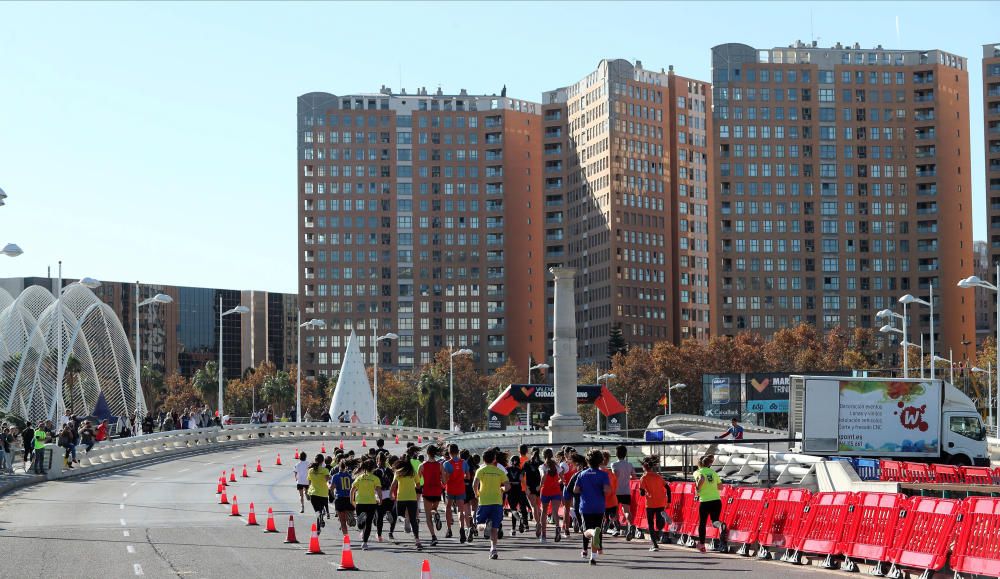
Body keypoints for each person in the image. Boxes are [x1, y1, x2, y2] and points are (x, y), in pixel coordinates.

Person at [574, 449, 611, 565]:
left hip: (585, 506)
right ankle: (593, 557)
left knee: (586, 531)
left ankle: (592, 534)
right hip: (599, 506)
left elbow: (575, 489)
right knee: (597, 528)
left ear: (587, 461)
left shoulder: (582, 474)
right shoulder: (604, 475)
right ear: (600, 461)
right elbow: (607, 490)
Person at [473, 449, 509, 560]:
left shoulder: (481, 470)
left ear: (483, 459)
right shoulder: (500, 471)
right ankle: (493, 549)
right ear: (494, 459)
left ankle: (485, 525)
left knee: (479, 525)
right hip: (497, 501)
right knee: (494, 528)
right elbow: (507, 486)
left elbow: (475, 484)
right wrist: (501, 489)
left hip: (484, 501)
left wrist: (477, 494)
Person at [638, 455, 671, 551]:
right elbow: (668, 488)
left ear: (644, 467)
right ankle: (663, 519)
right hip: (661, 501)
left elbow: (642, 493)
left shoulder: (643, 478)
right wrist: (669, 501)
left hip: (650, 503)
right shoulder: (658, 476)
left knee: (651, 524)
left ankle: (655, 544)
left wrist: (643, 491)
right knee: (659, 525)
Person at [390, 457, 422, 550]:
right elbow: (418, 485)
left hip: (401, 498)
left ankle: (405, 519)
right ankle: (417, 540)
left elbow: (393, 484)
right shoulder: (413, 472)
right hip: (412, 498)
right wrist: (414, 487)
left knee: (397, 514)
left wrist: (390, 493)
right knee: (414, 520)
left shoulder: (398, 472)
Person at [694, 454, 723, 553]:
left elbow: (701, 478)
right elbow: (720, 487)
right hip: (716, 500)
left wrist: (698, 488)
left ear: (699, 464)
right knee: (714, 520)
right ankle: (717, 522)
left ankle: (702, 545)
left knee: (702, 523)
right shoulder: (713, 472)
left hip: (705, 501)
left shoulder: (698, 472)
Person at [351, 459, 381, 550]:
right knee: (368, 524)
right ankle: (365, 543)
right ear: (373, 468)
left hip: (360, 502)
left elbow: (352, 490)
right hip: (371, 503)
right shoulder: (375, 478)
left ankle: (361, 520)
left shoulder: (359, 478)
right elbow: (378, 490)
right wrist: (380, 499)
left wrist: (351, 500)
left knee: (360, 525)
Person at [442, 443, 470, 542]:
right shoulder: (464, 462)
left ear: (449, 452)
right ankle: (462, 528)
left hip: (450, 489)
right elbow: (468, 476)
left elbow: (445, 480)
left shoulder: (446, 464)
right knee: (460, 510)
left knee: (448, 507)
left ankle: (449, 529)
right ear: (458, 452)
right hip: (460, 488)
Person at [418, 445, 443, 546]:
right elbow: (444, 480)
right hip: (437, 491)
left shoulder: (422, 465)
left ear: (427, 453)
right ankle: (436, 514)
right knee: (434, 509)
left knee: (428, 516)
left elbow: (417, 480)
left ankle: (433, 537)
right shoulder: (440, 465)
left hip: (427, 491)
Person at [611, 445, 637, 539]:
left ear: (616, 454)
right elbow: (634, 477)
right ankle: (631, 525)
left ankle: (617, 528)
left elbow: (615, 476)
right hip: (626, 491)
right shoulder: (629, 465)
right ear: (625, 454)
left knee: (615, 511)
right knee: (626, 510)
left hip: (616, 491)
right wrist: (627, 477)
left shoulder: (614, 464)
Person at [373, 452, 396, 542]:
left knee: (379, 517)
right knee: (392, 513)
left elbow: (374, 484)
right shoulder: (389, 470)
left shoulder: (375, 471)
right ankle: (390, 531)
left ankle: (379, 535)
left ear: (377, 461)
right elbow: (394, 481)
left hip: (380, 494)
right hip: (389, 493)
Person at [538, 457, 562, 543]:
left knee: (544, 512)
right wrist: (556, 482)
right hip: (556, 490)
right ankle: (557, 527)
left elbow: (543, 477)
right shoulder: (557, 466)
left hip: (545, 491)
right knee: (555, 511)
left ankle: (544, 535)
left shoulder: (542, 467)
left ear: (544, 456)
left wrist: (540, 486)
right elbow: (562, 479)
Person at [306, 453, 331, 534]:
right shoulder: (325, 470)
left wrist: (307, 492)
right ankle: (318, 527)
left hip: (313, 493)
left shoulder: (310, 470)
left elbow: (309, 482)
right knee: (320, 511)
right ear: (323, 461)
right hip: (323, 493)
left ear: (315, 460)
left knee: (317, 512)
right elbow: (327, 480)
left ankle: (318, 528)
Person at [520, 448, 542, 538]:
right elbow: (545, 476)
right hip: (539, 487)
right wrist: (540, 486)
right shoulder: (542, 463)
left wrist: (526, 486)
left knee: (534, 506)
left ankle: (537, 523)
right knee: (538, 506)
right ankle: (539, 521)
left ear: (531, 453)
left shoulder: (527, 463)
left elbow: (521, 476)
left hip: (530, 487)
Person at [330, 459, 355, 535]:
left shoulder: (335, 476)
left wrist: (333, 496)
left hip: (340, 498)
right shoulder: (350, 476)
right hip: (348, 498)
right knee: (348, 514)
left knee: (342, 521)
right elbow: (353, 487)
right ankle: (349, 517)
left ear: (339, 467)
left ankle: (346, 537)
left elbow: (332, 488)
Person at [505, 455, 528, 535]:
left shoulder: (507, 469)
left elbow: (505, 480)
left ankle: (514, 528)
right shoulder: (521, 470)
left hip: (511, 490)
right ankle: (521, 521)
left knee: (513, 509)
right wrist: (526, 489)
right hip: (519, 490)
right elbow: (522, 480)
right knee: (520, 507)